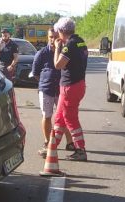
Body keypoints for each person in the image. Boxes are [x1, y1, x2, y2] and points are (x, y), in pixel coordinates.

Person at [40, 16, 89, 170]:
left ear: (61, 31)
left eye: (58, 32)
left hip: (70, 86)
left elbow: (58, 65)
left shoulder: (70, 45)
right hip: (78, 84)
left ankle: (80, 149)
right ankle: (52, 146)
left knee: (70, 117)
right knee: (60, 117)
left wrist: (57, 48)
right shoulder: (80, 41)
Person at [31, 28, 74, 158]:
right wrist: (44, 82)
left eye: (55, 37)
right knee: (47, 116)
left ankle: (70, 142)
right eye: (50, 37)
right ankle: (47, 141)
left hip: (61, 89)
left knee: (65, 116)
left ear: (60, 37)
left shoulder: (65, 52)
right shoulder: (42, 53)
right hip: (46, 89)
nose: (52, 39)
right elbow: (35, 72)